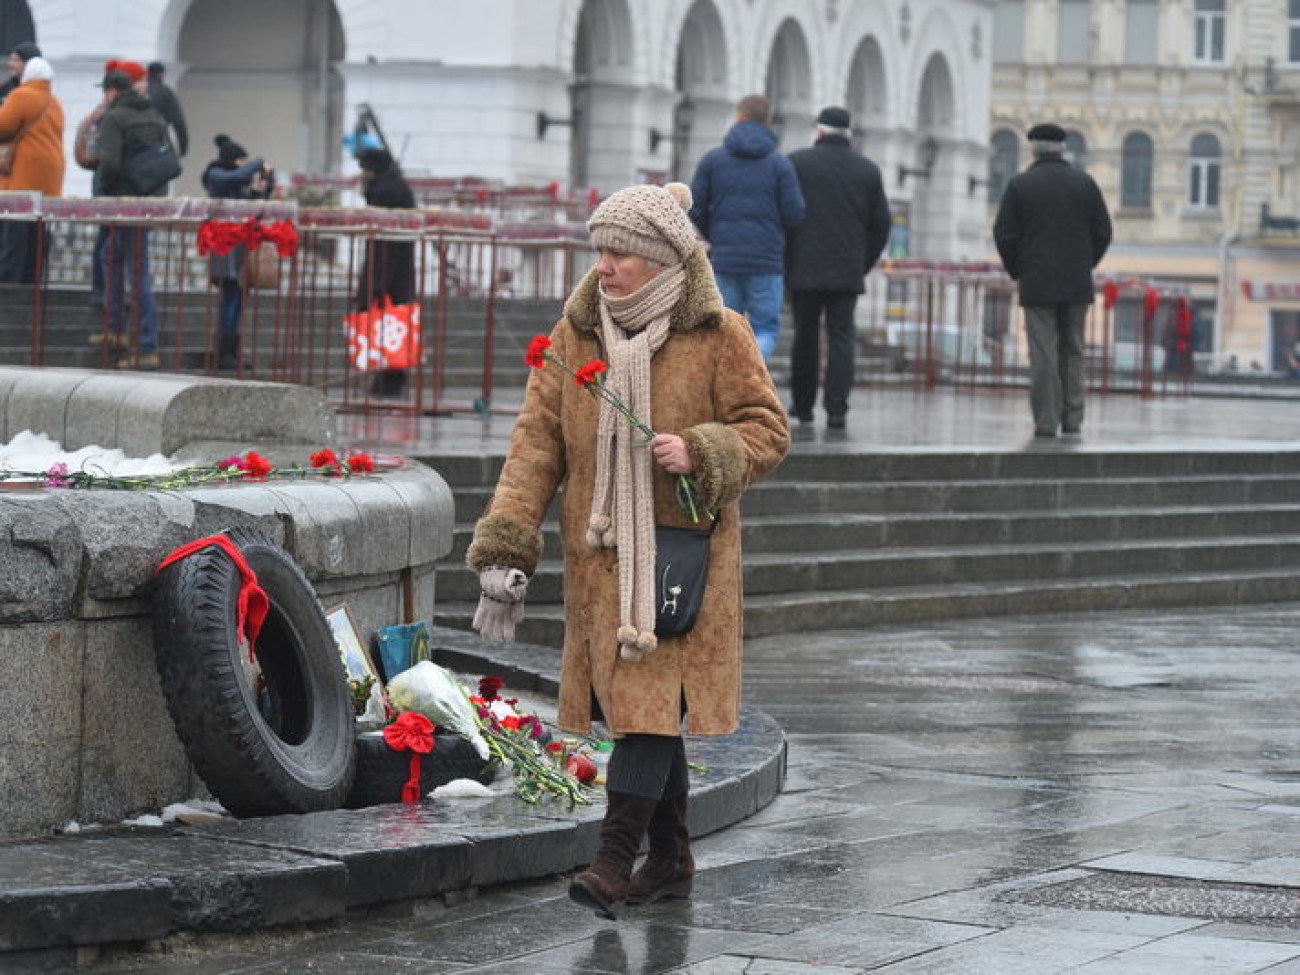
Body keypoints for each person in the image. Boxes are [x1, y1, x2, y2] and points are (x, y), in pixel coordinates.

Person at [466, 182, 789, 919]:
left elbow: (768, 429)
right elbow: (536, 444)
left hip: (681, 560)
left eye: (619, 253)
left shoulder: (720, 332)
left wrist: (706, 449)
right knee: (638, 710)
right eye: (599, 250)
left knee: (646, 707)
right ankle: (671, 859)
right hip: (600, 559)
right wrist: (508, 540)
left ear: (659, 258)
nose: (603, 266)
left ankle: (612, 862)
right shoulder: (577, 333)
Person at [994, 122, 1112, 438]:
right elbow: (1103, 232)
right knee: (1073, 350)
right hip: (1076, 283)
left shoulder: (1021, 185)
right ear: (1062, 148)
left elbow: (1004, 235)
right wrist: (1085, 264)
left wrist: (1019, 269)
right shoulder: (1085, 184)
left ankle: (1046, 421)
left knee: (1043, 353)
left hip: (1038, 283)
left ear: (1033, 148)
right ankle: (1073, 418)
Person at [784, 106, 892, 430]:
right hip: (847, 270)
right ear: (848, 133)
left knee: (805, 336)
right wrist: (862, 262)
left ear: (819, 131)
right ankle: (837, 410)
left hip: (803, 269)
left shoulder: (797, 163)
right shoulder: (868, 170)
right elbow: (882, 225)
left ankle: (802, 407)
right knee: (842, 338)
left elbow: (786, 216)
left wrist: (789, 259)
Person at [689, 93, 804, 362]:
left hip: (726, 258)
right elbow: (795, 212)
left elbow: (694, 205)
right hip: (767, 260)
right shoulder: (779, 164)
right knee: (765, 328)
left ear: (739, 118)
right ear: (769, 121)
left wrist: (714, 233)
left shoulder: (714, 160)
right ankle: (750, 373)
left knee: (724, 326)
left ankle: (725, 383)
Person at [94, 68, 171, 370]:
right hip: (148, 200)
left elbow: (110, 162)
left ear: (112, 91)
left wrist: (103, 191)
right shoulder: (153, 115)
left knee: (134, 273)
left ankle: (145, 345)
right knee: (112, 257)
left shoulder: (115, 118)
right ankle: (115, 331)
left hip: (122, 203)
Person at [201, 134, 273, 370]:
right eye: (242, 161)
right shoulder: (216, 175)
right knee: (229, 300)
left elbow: (255, 209)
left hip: (239, 249)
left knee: (236, 301)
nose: (246, 168)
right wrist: (258, 161)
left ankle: (232, 351)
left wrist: (263, 188)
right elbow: (238, 176)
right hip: (224, 248)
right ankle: (224, 352)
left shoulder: (235, 185)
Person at [355, 147, 416, 397]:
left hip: (386, 268)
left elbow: (384, 239)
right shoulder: (394, 183)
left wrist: (379, 280)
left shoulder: (385, 190)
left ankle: (389, 379)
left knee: (385, 323)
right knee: (393, 323)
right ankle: (390, 378)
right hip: (395, 268)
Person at [0, 55, 64, 285]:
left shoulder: (22, 95)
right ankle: (32, 283)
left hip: (24, 174)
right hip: (50, 177)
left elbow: (3, 125)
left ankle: (9, 286)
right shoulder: (54, 102)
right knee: (36, 236)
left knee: (15, 232)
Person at [146, 62, 188, 158]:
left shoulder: (138, 90)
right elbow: (178, 121)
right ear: (163, 75)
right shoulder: (165, 92)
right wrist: (183, 146)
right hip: (159, 140)